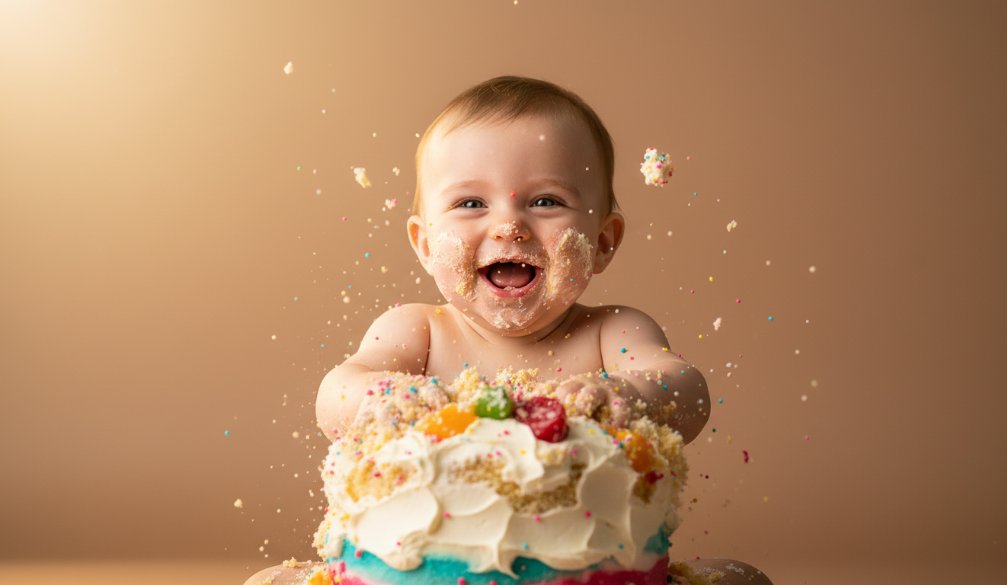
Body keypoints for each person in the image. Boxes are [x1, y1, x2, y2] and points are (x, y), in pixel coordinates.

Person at [245, 76, 771, 585]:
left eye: (546, 201)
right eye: (471, 203)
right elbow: (336, 394)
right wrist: (389, 396)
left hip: (589, 576)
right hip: (409, 576)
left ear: (604, 241)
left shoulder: (613, 331)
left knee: (740, 578)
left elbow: (685, 389)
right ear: (426, 245)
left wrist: (626, 395)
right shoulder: (418, 330)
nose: (509, 226)